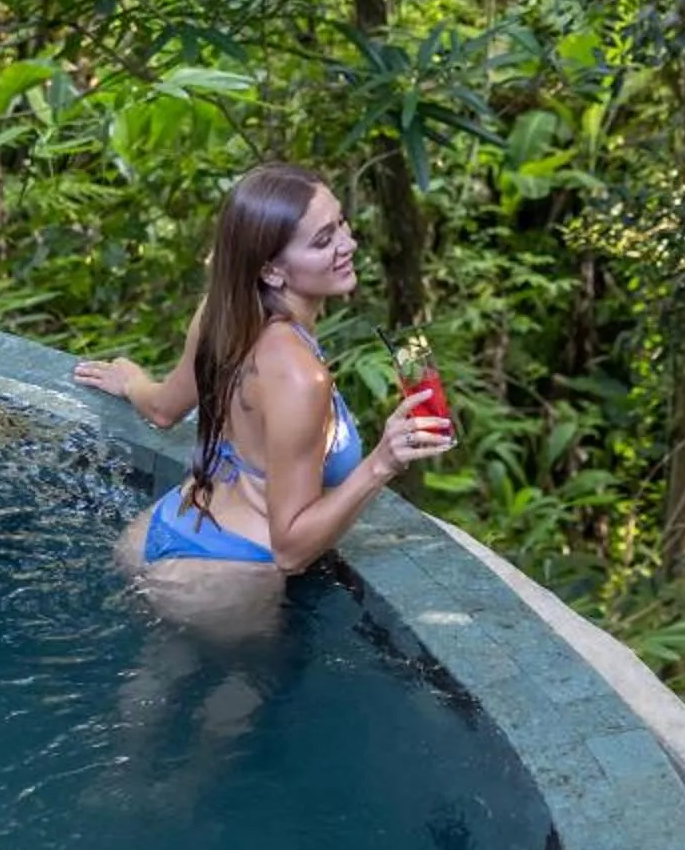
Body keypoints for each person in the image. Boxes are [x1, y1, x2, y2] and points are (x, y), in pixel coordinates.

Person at [73, 163, 453, 627]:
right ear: (271, 270)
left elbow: (163, 409)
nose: (348, 244)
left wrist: (130, 380)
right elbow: (291, 551)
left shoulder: (219, 313)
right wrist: (382, 462)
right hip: (225, 579)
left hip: (159, 531)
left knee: (146, 692)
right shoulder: (299, 377)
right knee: (244, 697)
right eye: (323, 240)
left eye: (342, 225)